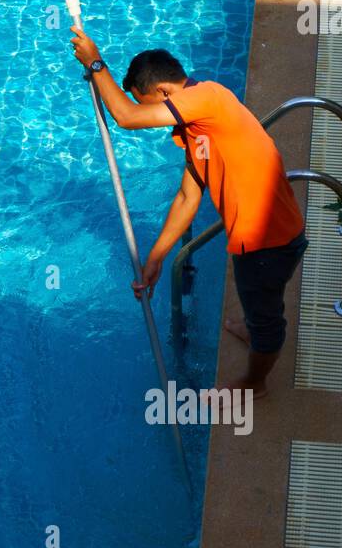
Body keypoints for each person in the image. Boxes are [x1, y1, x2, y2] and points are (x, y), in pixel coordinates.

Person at [69, 24, 308, 398]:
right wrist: (157, 258)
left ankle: (254, 383)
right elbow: (187, 198)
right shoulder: (200, 130)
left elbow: (127, 118)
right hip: (265, 238)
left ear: (164, 92)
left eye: (153, 105)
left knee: (267, 319)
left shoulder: (208, 98)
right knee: (259, 301)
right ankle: (253, 326)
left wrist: (96, 63)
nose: (154, 118)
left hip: (268, 244)